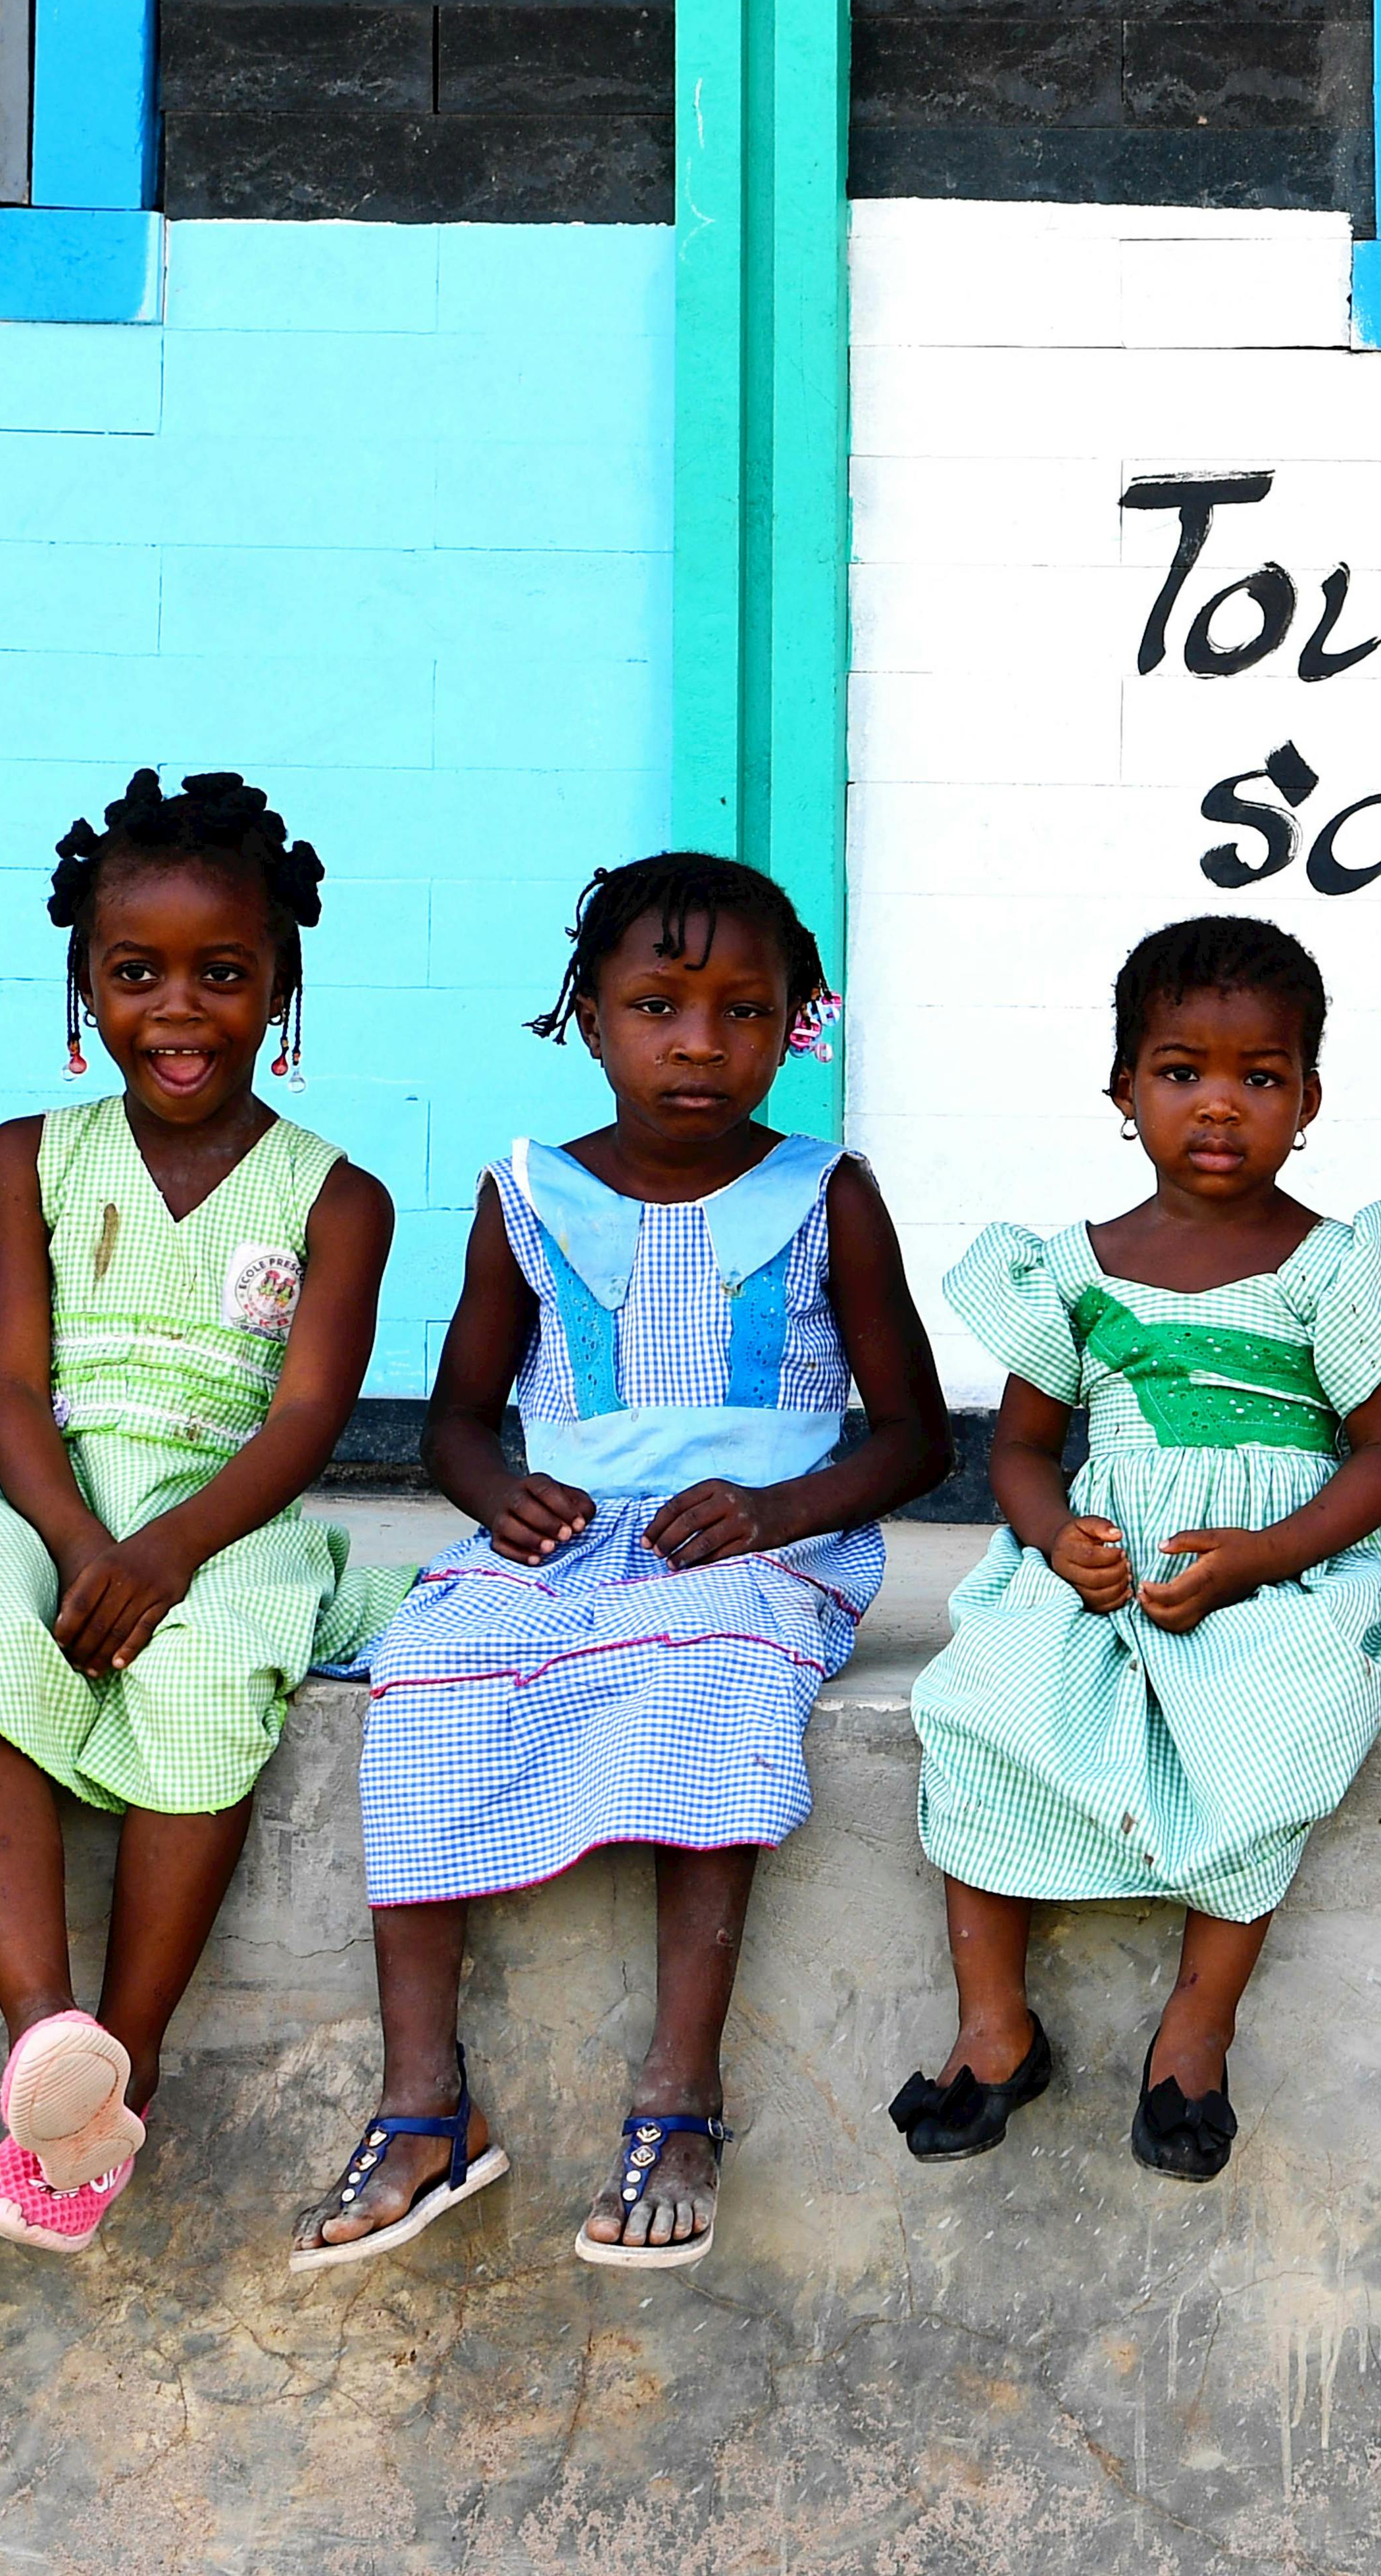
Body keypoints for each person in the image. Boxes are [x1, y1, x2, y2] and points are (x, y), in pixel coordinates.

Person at [290, 857, 947, 2275]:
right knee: (429, 1663)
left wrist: (780, 1512)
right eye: (657, 1004)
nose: (699, 1042)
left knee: (711, 1668)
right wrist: (497, 1493)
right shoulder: (527, 1194)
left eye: (743, 1010)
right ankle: (421, 2107)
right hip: (574, 1535)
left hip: (760, 1544)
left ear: (797, 1027)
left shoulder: (827, 1196)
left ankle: (678, 2095)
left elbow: (909, 1440)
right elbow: (457, 1420)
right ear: (587, 1019)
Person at [0, 771, 401, 2253]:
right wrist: (84, 1545)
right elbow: (11, 1390)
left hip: (222, 1513)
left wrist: (165, 1551)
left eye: (223, 975)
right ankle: (50, 2043)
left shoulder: (334, 1195)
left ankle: (129, 2059)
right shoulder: (27, 1155)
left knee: (212, 1665)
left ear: (281, 985)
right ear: (83, 986)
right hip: (44, 1491)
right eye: (134, 973)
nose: (177, 1009)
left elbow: (303, 1422)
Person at [894, 917, 1381, 2188]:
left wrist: (1260, 1559)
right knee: (982, 1701)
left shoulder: (1334, 1268)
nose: (1220, 1105)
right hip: (1109, 1561)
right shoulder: (1075, 1271)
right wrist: (1055, 1537)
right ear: (1123, 1090)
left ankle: (1196, 2031)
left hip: (1286, 1560)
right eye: (1181, 1070)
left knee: (1278, 1712)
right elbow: (1027, 1450)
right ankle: (994, 2025)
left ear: (1308, 1100)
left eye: (1261, 1077)